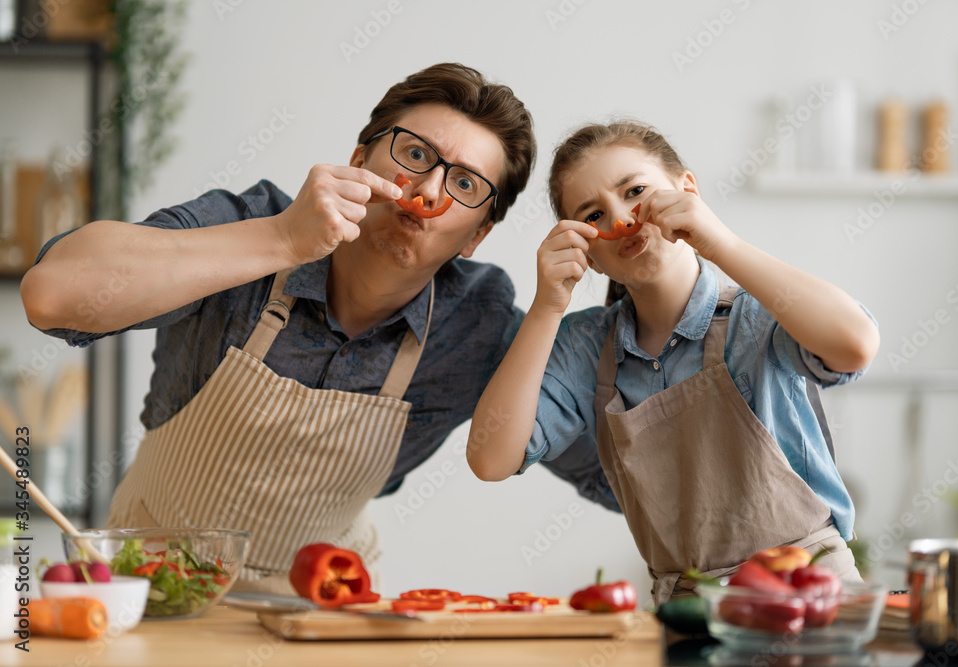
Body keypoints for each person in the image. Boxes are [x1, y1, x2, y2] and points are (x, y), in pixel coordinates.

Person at [20, 63, 614, 594]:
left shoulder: (478, 325)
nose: (428, 189)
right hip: (152, 596)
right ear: (359, 161)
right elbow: (52, 294)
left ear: (477, 236)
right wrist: (281, 240)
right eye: (414, 154)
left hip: (325, 614)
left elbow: (607, 465)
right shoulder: (250, 225)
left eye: (464, 184)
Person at [466, 121, 880, 603]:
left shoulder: (755, 316)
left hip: (814, 596)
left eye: (635, 191)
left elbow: (855, 344)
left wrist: (719, 241)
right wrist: (546, 306)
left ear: (687, 190)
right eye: (595, 214)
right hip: (690, 614)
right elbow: (490, 459)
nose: (622, 218)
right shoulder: (584, 347)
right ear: (590, 255)